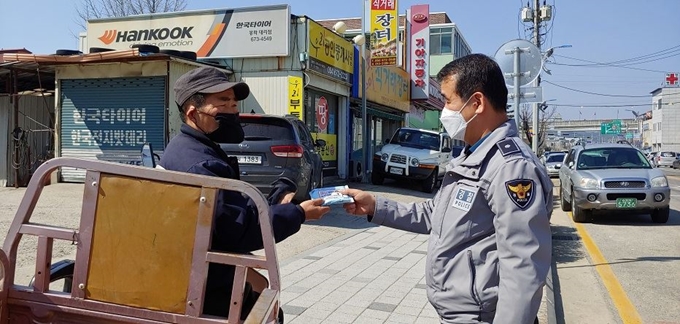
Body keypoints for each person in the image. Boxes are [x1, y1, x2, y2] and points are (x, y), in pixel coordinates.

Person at [341, 54, 553, 324]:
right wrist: (375, 205)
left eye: (447, 100)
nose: (444, 111)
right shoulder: (470, 156)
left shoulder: (511, 168)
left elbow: (523, 265)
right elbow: (434, 214)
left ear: (476, 103)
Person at [159, 66, 331, 317]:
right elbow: (238, 231)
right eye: (223, 103)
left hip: (192, 261)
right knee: (269, 308)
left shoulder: (187, 147)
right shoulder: (202, 163)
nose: (234, 110)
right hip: (199, 277)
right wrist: (298, 214)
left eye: (234, 103)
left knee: (261, 287)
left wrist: (274, 204)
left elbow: (228, 214)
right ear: (193, 112)